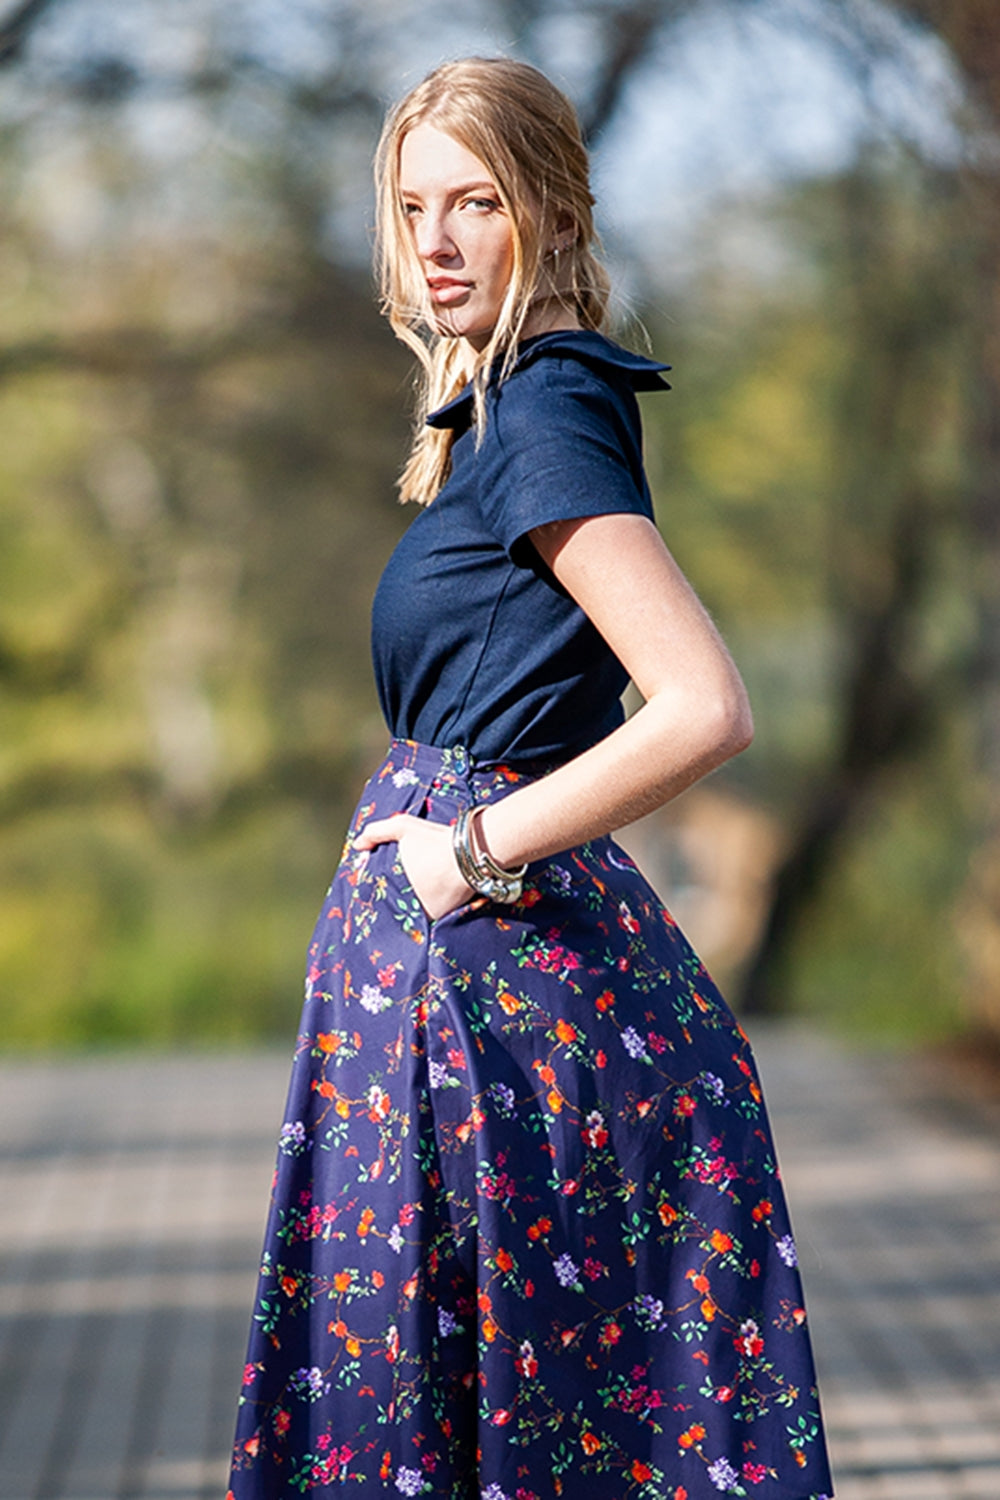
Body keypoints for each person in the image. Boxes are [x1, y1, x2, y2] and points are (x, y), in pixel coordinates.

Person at [227, 56, 834, 1500]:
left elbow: (703, 706)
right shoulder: (502, 413)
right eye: (411, 207)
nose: (434, 242)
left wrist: (468, 850)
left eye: (477, 203)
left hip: (489, 992)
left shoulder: (549, 409)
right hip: (463, 990)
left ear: (555, 213)